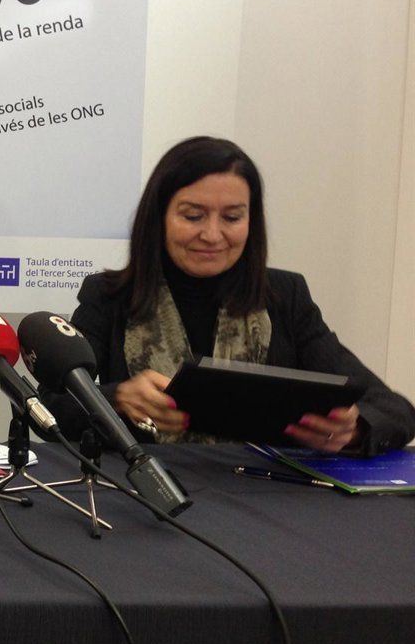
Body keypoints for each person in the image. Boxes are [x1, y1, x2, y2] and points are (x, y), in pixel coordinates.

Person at [46, 136, 415, 456]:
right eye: (193, 216)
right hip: (144, 495)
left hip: (263, 497)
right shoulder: (108, 296)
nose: (212, 234)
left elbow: (394, 408)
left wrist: (355, 429)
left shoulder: (285, 297)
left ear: (251, 221)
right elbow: (51, 407)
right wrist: (116, 399)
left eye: (232, 218)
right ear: (159, 218)